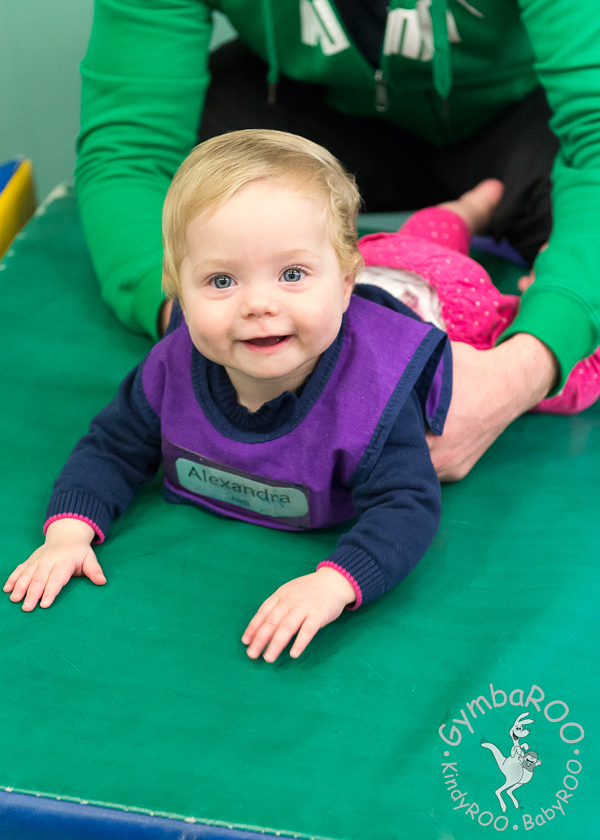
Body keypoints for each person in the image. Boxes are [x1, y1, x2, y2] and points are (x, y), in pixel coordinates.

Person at [75, 0, 600, 481]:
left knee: (578, 317)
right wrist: (195, 314)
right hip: (313, 115)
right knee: (210, 161)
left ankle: (483, 220)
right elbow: (131, 152)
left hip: (525, 118)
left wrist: (524, 368)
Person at [4, 131, 452, 663]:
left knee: (439, 243)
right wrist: (69, 532)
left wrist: (335, 583)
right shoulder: (171, 368)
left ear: (346, 282)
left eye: (292, 274)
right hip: (350, 268)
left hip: (426, 285)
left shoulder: (373, 395)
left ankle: (464, 211)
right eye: (221, 281)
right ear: (178, 294)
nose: (258, 304)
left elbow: (408, 502)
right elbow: (112, 446)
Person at [356, 180, 600, 415]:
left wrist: (550, 298)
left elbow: (580, 372)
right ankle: (471, 207)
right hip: (393, 267)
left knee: (545, 348)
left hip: (400, 280)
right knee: (433, 229)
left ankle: (474, 207)